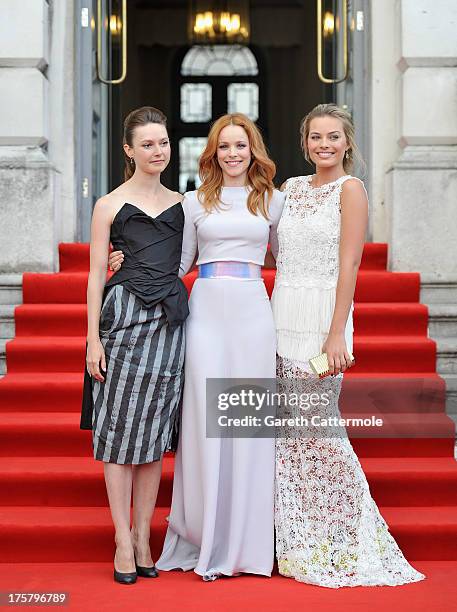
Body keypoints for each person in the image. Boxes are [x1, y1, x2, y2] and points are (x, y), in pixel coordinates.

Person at [110, 113, 284, 580]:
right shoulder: (194, 202)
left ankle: (245, 539)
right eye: (224, 146)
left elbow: (287, 260)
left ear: (253, 151)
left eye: (240, 146)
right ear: (213, 153)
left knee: (247, 423)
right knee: (205, 423)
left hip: (253, 314)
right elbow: (179, 261)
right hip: (205, 313)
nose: (232, 154)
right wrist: (125, 257)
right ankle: (204, 534)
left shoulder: (274, 199)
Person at [271, 103, 425, 587]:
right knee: (288, 435)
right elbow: (261, 238)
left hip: (322, 318)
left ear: (347, 143)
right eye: (316, 137)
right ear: (304, 143)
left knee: (321, 431)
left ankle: (352, 537)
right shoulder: (290, 189)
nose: (324, 145)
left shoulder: (351, 190)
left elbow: (350, 266)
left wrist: (337, 331)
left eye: (333, 137)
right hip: (280, 314)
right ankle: (300, 540)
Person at [81, 106, 188, 585]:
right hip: (122, 320)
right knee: (120, 430)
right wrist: (91, 340)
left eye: (162, 143)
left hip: (169, 324)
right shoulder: (107, 204)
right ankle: (122, 537)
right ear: (128, 150)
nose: (157, 151)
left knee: (153, 436)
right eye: (147, 144)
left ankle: (145, 536)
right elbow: (92, 279)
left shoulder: (185, 204)